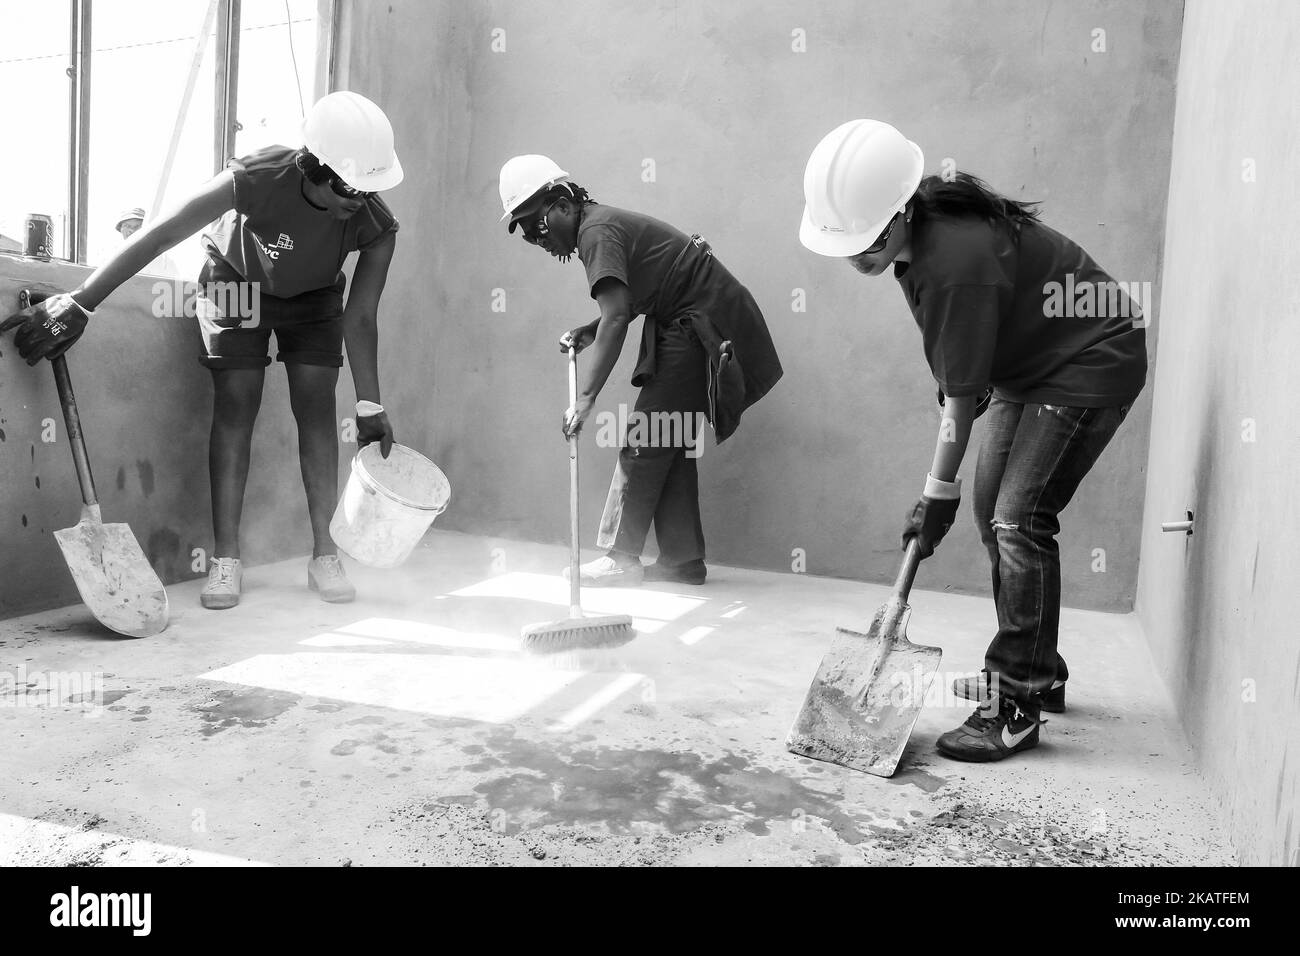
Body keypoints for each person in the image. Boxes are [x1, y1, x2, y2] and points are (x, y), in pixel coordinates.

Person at [799, 119, 1147, 762]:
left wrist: (936, 494)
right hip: (1032, 364)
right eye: (844, 241)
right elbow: (967, 371)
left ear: (902, 210)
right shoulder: (915, 241)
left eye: (868, 237)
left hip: (1090, 358)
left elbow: (960, 399)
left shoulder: (955, 260)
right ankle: (1040, 664)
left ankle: (1018, 700)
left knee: (1019, 519)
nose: (856, 254)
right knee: (997, 514)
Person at [2, 91, 404, 610]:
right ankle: (226, 558)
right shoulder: (255, 178)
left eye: (371, 188)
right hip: (236, 280)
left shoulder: (375, 224)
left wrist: (370, 403)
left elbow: (362, 314)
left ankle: (325, 552)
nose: (361, 200)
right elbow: (163, 233)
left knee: (317, 405)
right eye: (351, 186)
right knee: (237, 401)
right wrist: (82, 302)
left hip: (314, 294)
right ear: (312, 166)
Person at [499, 155, 782, 586]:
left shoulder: (595, 233)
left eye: (534, 225)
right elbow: (623, 306)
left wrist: (587, 397)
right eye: (522, 233)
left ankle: (622, 557)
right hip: (685, 317)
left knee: (646, 436)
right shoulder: (597, 226)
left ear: (560, 205)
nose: (534, 239)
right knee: (667, 435)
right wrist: (592, 330)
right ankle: (682, 561)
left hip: (696, 320)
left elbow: (617, 317)